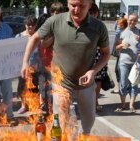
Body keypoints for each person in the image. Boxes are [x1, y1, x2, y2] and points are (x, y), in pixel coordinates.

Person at [21, 0, 110, 138]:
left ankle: (84, 136)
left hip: (86, 85)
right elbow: (35, 38)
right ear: (68, 3)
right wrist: (25, 62)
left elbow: (106, 54)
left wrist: (93, 71)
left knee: (89, 120)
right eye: (73, 5)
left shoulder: (99, 27)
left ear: (90, 5)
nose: (76, 10)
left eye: (81, 6)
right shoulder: (55, 21)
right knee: (62, 122)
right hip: (61, 84)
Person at [115, 13, 140, 113]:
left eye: (135, 20)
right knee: (123, 84)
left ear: (137, 21)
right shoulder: (121, 32)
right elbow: (116, 48)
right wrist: (122, 45)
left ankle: (131, 105)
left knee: (134, 84)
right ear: (127, 20)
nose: (132, 22)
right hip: (123, 62)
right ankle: (123, 104)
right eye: (131, 20)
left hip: (136, 63)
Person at [16, 15, 38, 114]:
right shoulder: (18, 37)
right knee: (22, 88)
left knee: (34, 88)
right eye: (28, 25)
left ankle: (34, 105)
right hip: (22, 68)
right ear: (25, 25)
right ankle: (23, 105)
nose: (30, 27)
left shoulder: (38, 37)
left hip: (35, 68)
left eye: (32, 25)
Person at [89, 3, 105, 112]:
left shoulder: (100, 26)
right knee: (87, 80)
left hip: (98, 54)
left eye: (92, 13)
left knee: (98, 80)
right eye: (88, 12)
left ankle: (95, 102)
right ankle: (88, 102)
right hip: (86, 56)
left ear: (96, 14)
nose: (90, 15)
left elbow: (105, 43)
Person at [111, 17, 128, 94]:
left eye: (120, 24)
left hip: (123, 55)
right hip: (119, 54)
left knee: (120, 71)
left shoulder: (123, 33)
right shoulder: (119, 32)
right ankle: (121, 87)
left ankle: (122, 88)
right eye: (118, 24)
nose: (118, 25)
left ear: (124, 25)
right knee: (118, 71)